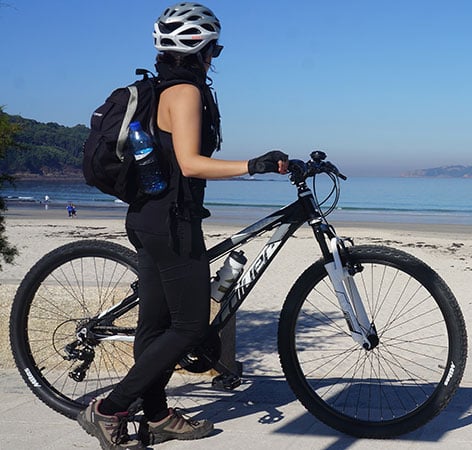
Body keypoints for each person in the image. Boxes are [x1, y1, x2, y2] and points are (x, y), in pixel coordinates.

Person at [76, 4, 289, 449]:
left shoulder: (165, 89)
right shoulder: (186, 93)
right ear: (200, 49)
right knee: (191, 327)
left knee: (155, 326)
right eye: (216, 47)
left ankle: (155, 415)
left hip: (148, 217)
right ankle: (111, 408)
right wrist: (255, 165)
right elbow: (191, 165)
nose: (216, 56)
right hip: (172, 223)